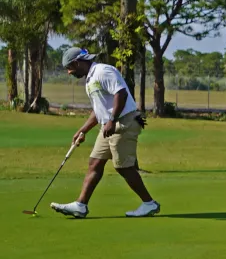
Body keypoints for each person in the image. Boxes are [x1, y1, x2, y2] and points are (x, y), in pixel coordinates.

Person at [50, 47, 160, 219]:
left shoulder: (103, 71)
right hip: (108, 124)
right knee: (95, 163)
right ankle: (81, 205)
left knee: (123, 166)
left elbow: (121, 94)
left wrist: (112, 119)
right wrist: (83, 130)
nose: (69, 73)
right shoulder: (89, 81)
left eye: (70, 68)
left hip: (124, 121)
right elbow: (98, 110)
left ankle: (149, 203)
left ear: (77, 63)